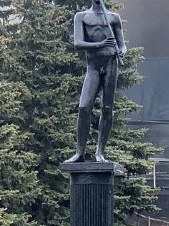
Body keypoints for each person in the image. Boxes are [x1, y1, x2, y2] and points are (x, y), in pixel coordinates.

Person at [65, 0, 127, 163]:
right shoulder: (82, 16)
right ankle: (80, 152)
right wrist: (101, 44)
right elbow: (78, 43)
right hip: (93, 67)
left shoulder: (113, 17)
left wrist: (120, 52)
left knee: (107, 108)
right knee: (84, 107)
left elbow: (122, 45)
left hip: (110, 65)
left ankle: (100, 152)